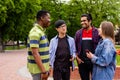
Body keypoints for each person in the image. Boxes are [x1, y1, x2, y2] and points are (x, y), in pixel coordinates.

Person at [75, 14, 100, 80]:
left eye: (84, 20)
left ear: (90, 21)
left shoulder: (97, 32)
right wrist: (77, 58)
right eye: (81, 21)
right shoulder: (78, 33)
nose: (82, 23)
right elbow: (75, 48)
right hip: (82, 63)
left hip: (94, 62)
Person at [27, 10, 51, 80]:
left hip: (43, 69)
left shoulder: (41, 32)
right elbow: (35, 53)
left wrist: (47, 68)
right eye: (48, 18)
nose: (50, 20)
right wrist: (43, 71)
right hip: (38, 70)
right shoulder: (35, 32)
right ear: (42, 18)